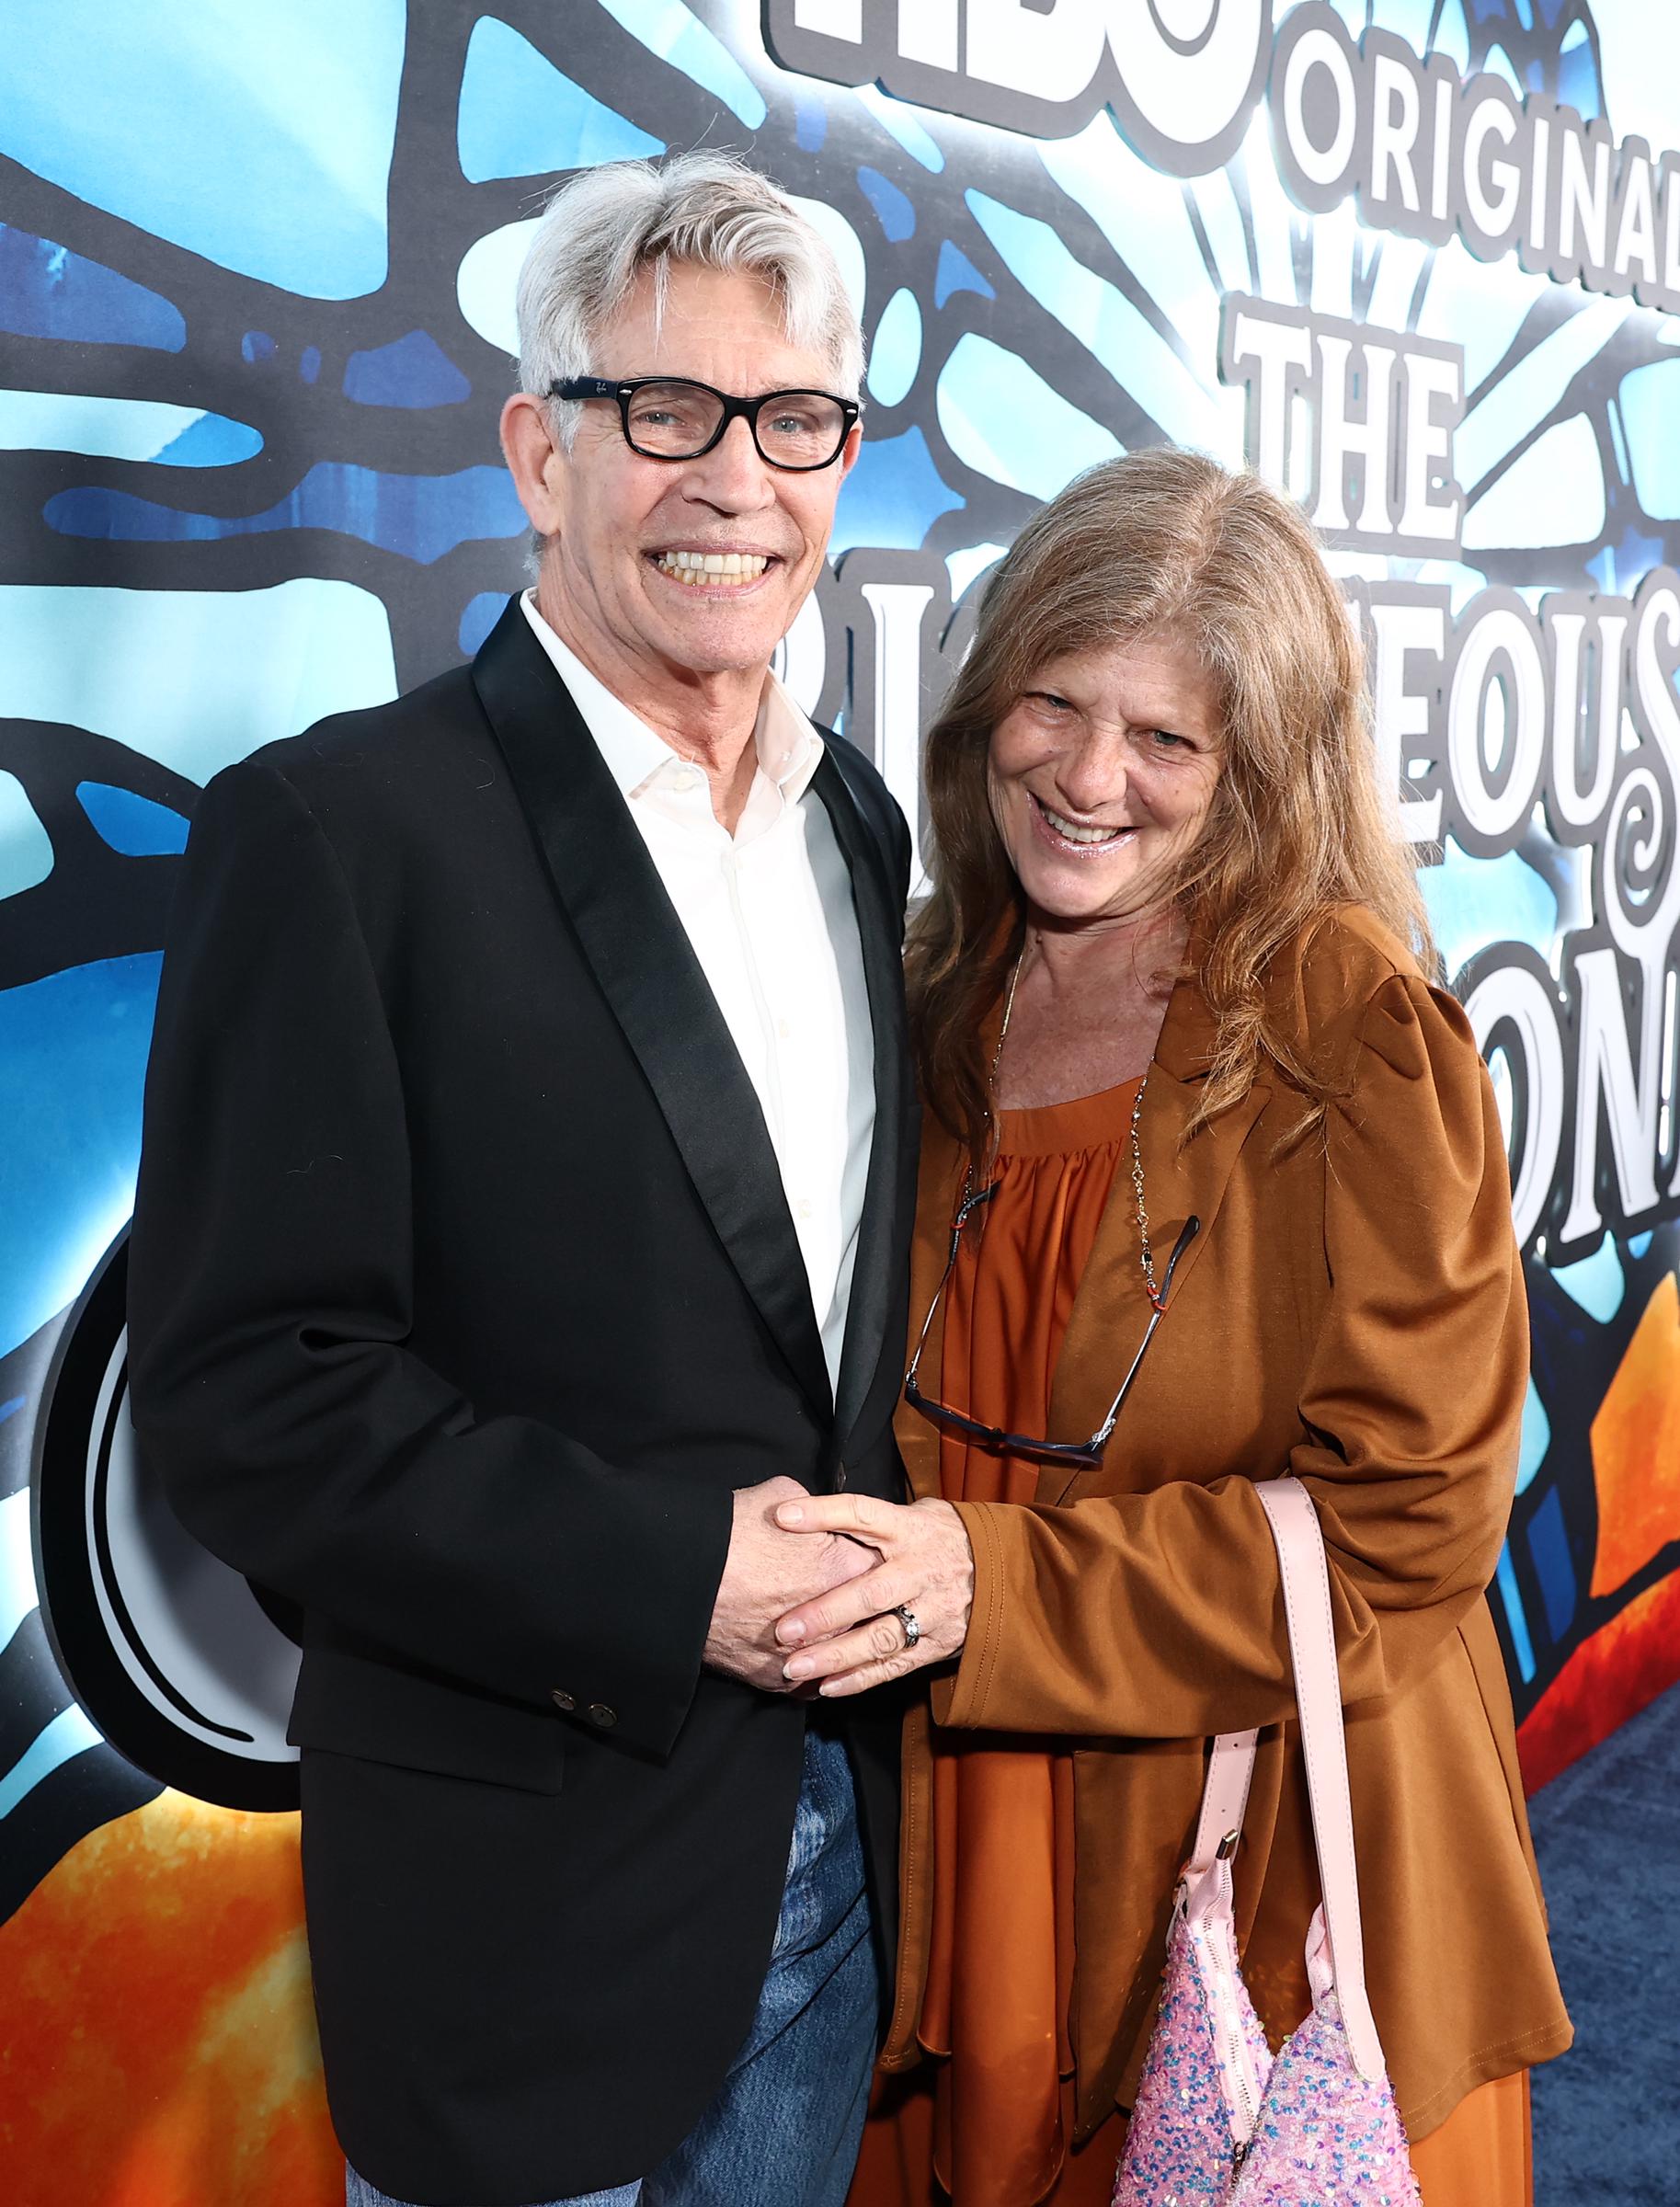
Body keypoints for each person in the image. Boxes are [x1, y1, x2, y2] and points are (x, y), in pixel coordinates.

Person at [126, 153, 920, 2207]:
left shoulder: (859, 831)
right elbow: (254, 1400)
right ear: (533, 452)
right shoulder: (337, 836)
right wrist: (677, 1583)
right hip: (521, 1913)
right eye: (661, 412)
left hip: (836, 1878)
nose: (732, 479)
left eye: (793, 420)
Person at [768, 450, 1572, 2205]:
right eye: (1053, 702)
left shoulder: (1353, 1041)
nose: (1087, 776)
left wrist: (996, 1589)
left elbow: (1412, 1537)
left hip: (1260, 1869)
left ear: (1260, 779)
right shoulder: (924, 991)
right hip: (962, 1846)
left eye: (1166, 742)